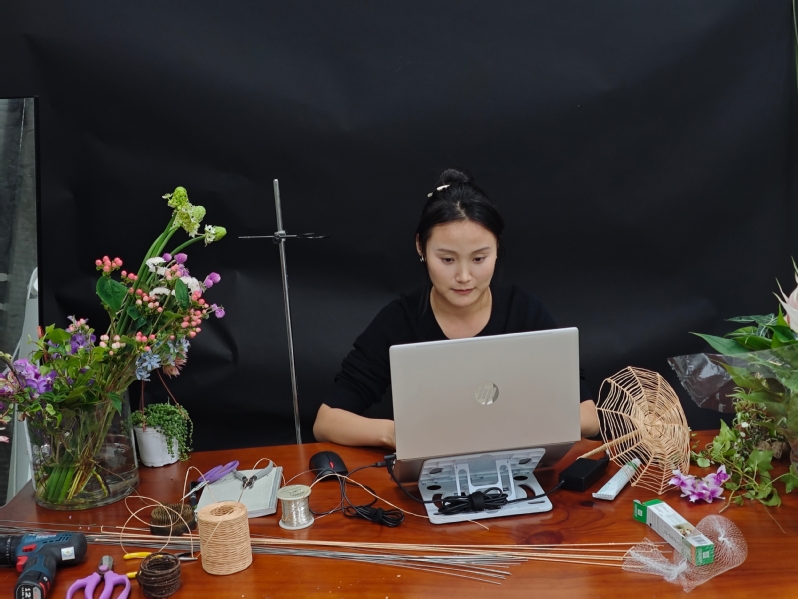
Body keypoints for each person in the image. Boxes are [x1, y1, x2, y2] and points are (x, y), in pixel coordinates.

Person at [313, 168, 600, 448]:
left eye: (479, 259)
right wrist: (398, 435)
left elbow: (588, 416)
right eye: (448, 260)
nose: (464, 276)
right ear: (421, 247)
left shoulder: (524, 312)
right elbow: (326, 422)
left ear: (497, 248)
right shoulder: (399, 320)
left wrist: (515, 430)